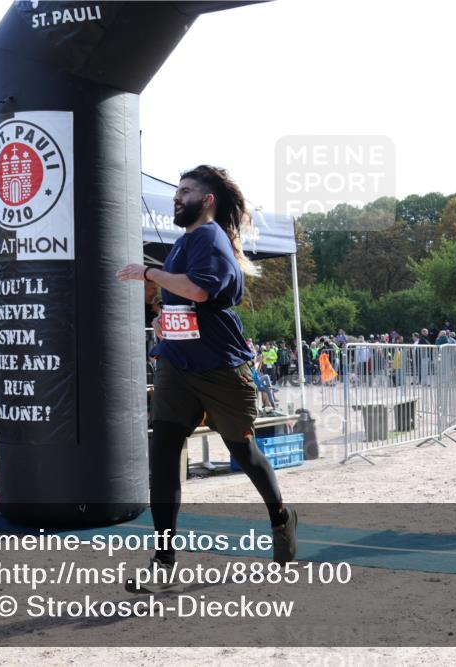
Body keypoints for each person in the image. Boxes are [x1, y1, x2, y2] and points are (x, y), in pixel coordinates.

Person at [116, 165, 297, 584]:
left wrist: (148, 272)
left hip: (220, 369)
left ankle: (281, 518)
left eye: (185, 191)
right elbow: (186, 302)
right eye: (177, 191)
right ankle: (163, 564)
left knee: (244, 453)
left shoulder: (211, 238)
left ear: (207, 200)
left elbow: (199, 290)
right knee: (162, 458)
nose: (177, 198)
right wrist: (164, 319)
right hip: (177, 367)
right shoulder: (183, 243)